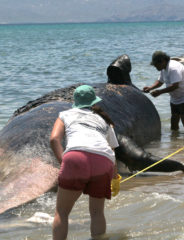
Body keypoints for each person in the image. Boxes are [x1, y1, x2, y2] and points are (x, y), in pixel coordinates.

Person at [50, 85, 121, 240]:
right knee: (97, 213)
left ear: (75, 101)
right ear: (93, 102)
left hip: (76, 158)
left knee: (62, 212)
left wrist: (64, 163)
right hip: (104, 162)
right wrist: (115, 178)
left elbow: (54, 139)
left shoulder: (65, 114)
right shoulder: (104, 120)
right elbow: (112, 151)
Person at [143, 51, 184, 132]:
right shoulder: (163, 68)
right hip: (175, 98)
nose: (155, 67)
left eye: (156, 65)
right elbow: (160, 81)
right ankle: (174, 142)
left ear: (163, 61)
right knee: (174, 123)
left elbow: (175, 86)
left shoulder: (173, 68)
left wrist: (159, 92)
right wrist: (150, 88)